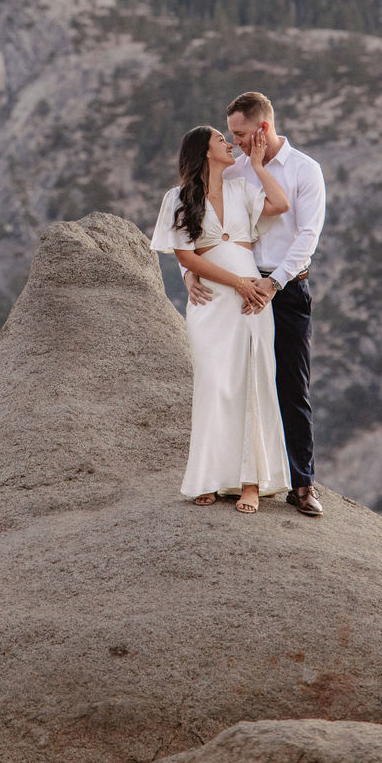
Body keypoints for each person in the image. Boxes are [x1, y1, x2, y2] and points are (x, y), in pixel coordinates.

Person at [182, 91, 326, 516]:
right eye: (230, 135)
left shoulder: (305, 170)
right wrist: (191, 271)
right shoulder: (232, 169)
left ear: (262, 128)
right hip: (234, 289)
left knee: (292, 386)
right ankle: (232, 476)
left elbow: (307, 235)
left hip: (285, 287)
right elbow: (202, 223)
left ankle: (302, 485)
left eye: (240, 133)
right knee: (239, 382)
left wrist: (274, 284)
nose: (235, 141)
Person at [151, 124, 291, 512]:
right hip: (214, 302)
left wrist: (260, 165)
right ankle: (209, 477)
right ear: (203, 151)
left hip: (252, 304)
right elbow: (186, 256)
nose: (229, 144)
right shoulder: (177, 198)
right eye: (220, 140)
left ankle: (250, 484)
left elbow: (280, 205)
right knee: (214, 386)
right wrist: (237, 284)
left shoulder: (242, 189)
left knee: (251, 383)